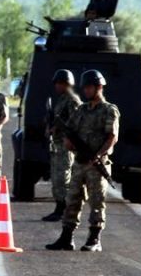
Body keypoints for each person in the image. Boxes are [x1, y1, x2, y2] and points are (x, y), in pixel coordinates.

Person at [46, 69, 119, 252]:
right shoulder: (81, 110)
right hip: (79, 162)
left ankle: (94, 239)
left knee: (96, 202)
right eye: (84, 87)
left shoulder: (109, 110)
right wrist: (69, 142)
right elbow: (69, 130)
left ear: (99, 87)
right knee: (72, 200)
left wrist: (100, 155)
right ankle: (66, 238)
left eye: (89, 87)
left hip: (96, 164)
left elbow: (112, 137)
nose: (86, 91)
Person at [42, 69, 81, 222]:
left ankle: (64, 209)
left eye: (60, 83)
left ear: (67, 84)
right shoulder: (62, 99)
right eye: (56, 83)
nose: (57, 86)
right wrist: (50, 127)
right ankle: (59, 207)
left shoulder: (72, 100)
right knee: (57, 177)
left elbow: (76, 122)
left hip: (67, 144)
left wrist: (58, 128)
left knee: (63, 177)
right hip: (57, 144)